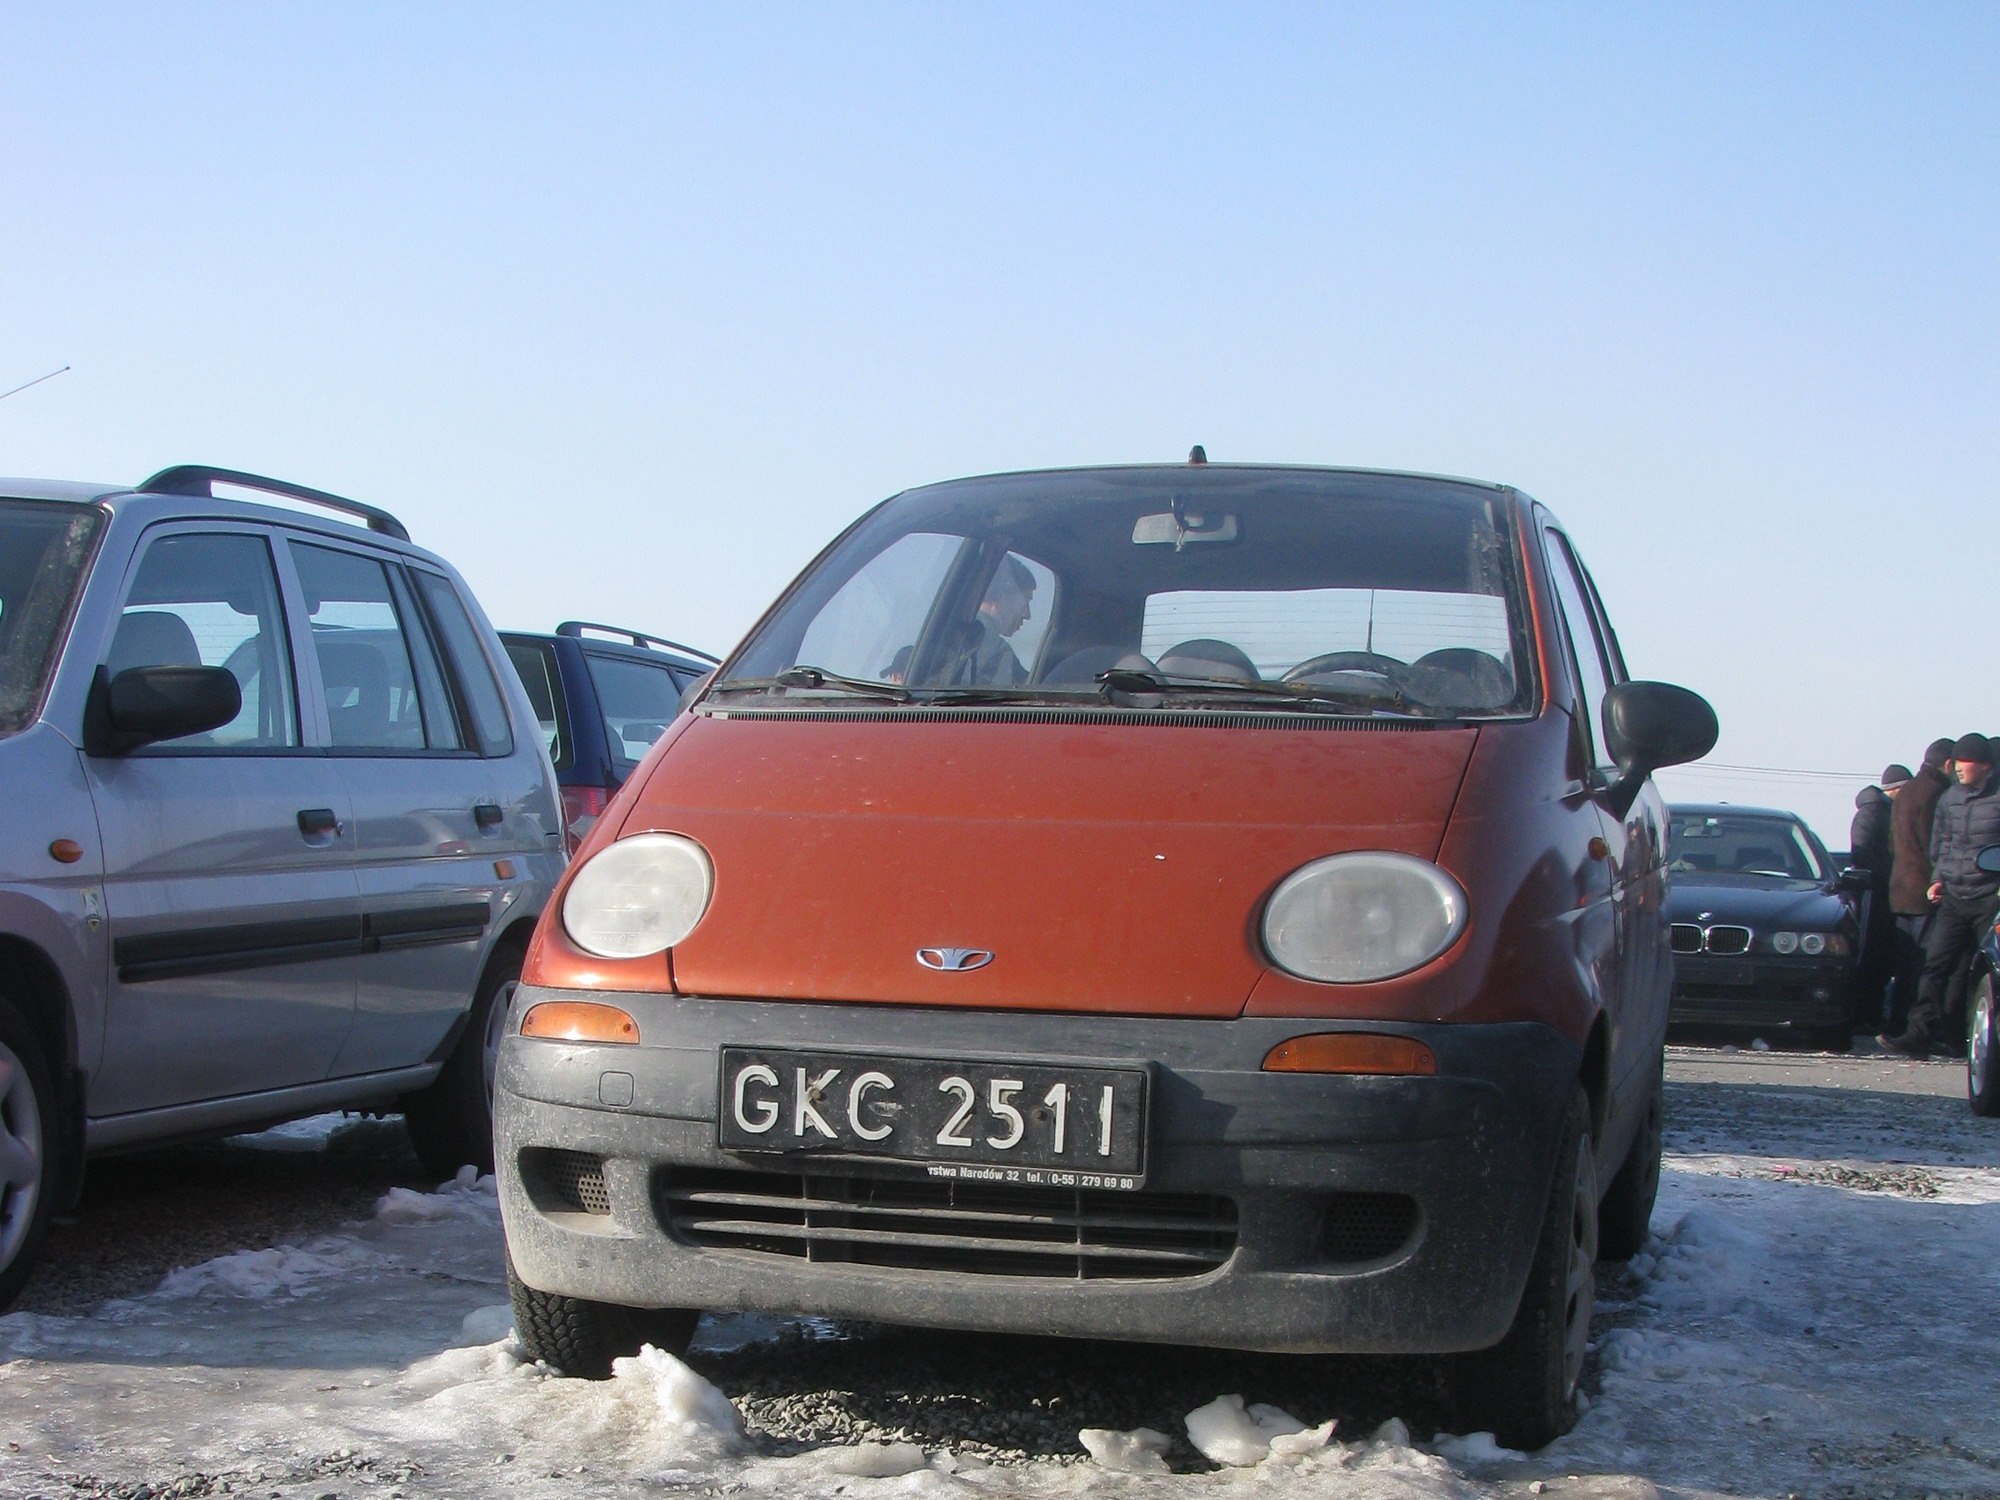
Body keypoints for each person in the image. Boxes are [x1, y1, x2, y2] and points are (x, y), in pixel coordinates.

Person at [1881, 733, 2000, 1059]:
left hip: (1989, 897)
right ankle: (1918, 1034)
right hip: (1954, 896)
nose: (1958, 768)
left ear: (1984, 765)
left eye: (1966, 762)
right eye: (1956, 762)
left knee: (1978, 968)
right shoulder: (1950, 799)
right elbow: (1942, 845)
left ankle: (1962, 1036)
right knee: (1935, 965)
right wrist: (1937, 879)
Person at [1883, 738, 1956, 1036]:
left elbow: (1891, 844)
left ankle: (1897, 1022)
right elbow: (1935, 844)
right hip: (1925, 891)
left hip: (1901, 889)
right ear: (1948, 764)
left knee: (1905, 963)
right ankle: (1916, 1028)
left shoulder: (1907, 791)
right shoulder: (1937, 793)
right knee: (1926, 964)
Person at [1848, 765, 1905, 1027]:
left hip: (1881, 889)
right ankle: (1864, 1014)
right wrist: (1892, 874)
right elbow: (1863, 854)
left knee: (1880, 957)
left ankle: (1868, 1013)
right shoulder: (1873, 812)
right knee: (1872, 956)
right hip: (1874, 892)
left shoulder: (1882, 811)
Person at [953, 555, 1037, 686]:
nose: (1027, 615)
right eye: (1026, 600)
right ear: (1002, 595)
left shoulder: (967, 638)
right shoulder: (990, 648)